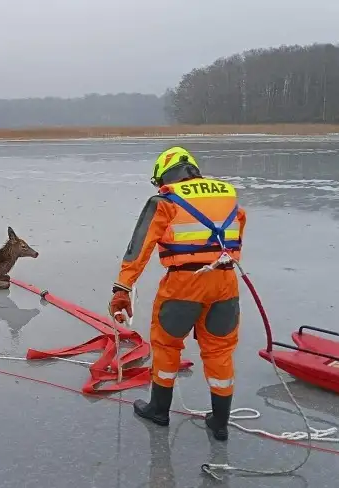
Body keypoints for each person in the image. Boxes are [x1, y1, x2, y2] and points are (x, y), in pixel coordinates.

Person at [108, 146, 246, 441]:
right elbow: (238, 231)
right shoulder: (227, 194)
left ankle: (159, 410)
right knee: (220, 351)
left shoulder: (165, 200)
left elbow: (139, 247)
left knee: (167, 345)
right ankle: (220, 423)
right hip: (225, 282)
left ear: (164, 175)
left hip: (184, 283)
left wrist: (122, 288)